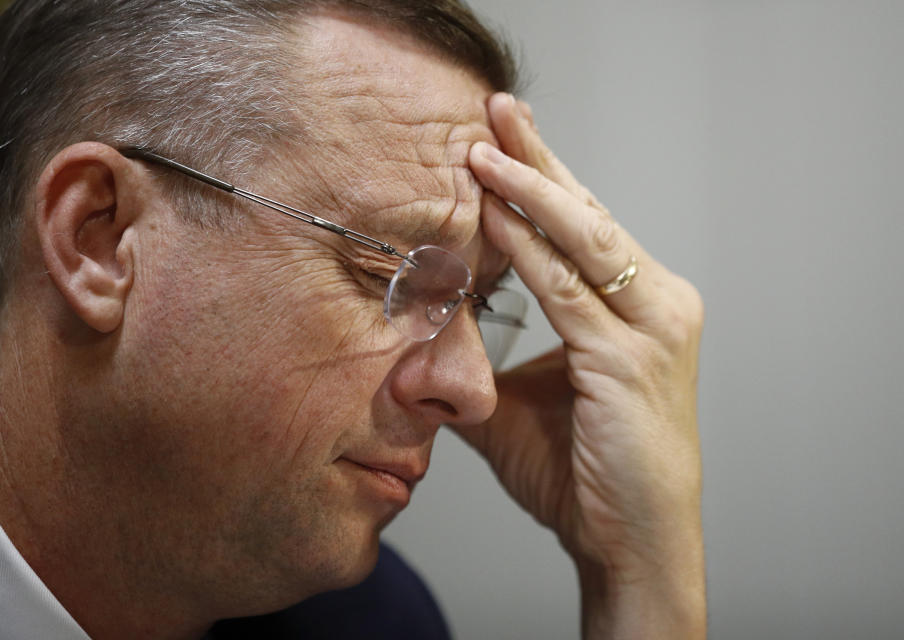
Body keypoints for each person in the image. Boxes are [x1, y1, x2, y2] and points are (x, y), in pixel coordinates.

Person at [0, 1, 706, 638]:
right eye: (388, 272)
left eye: (478, 301)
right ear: (98, 236)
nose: (477, 390)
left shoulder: (376, 623)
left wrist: (641, 575)